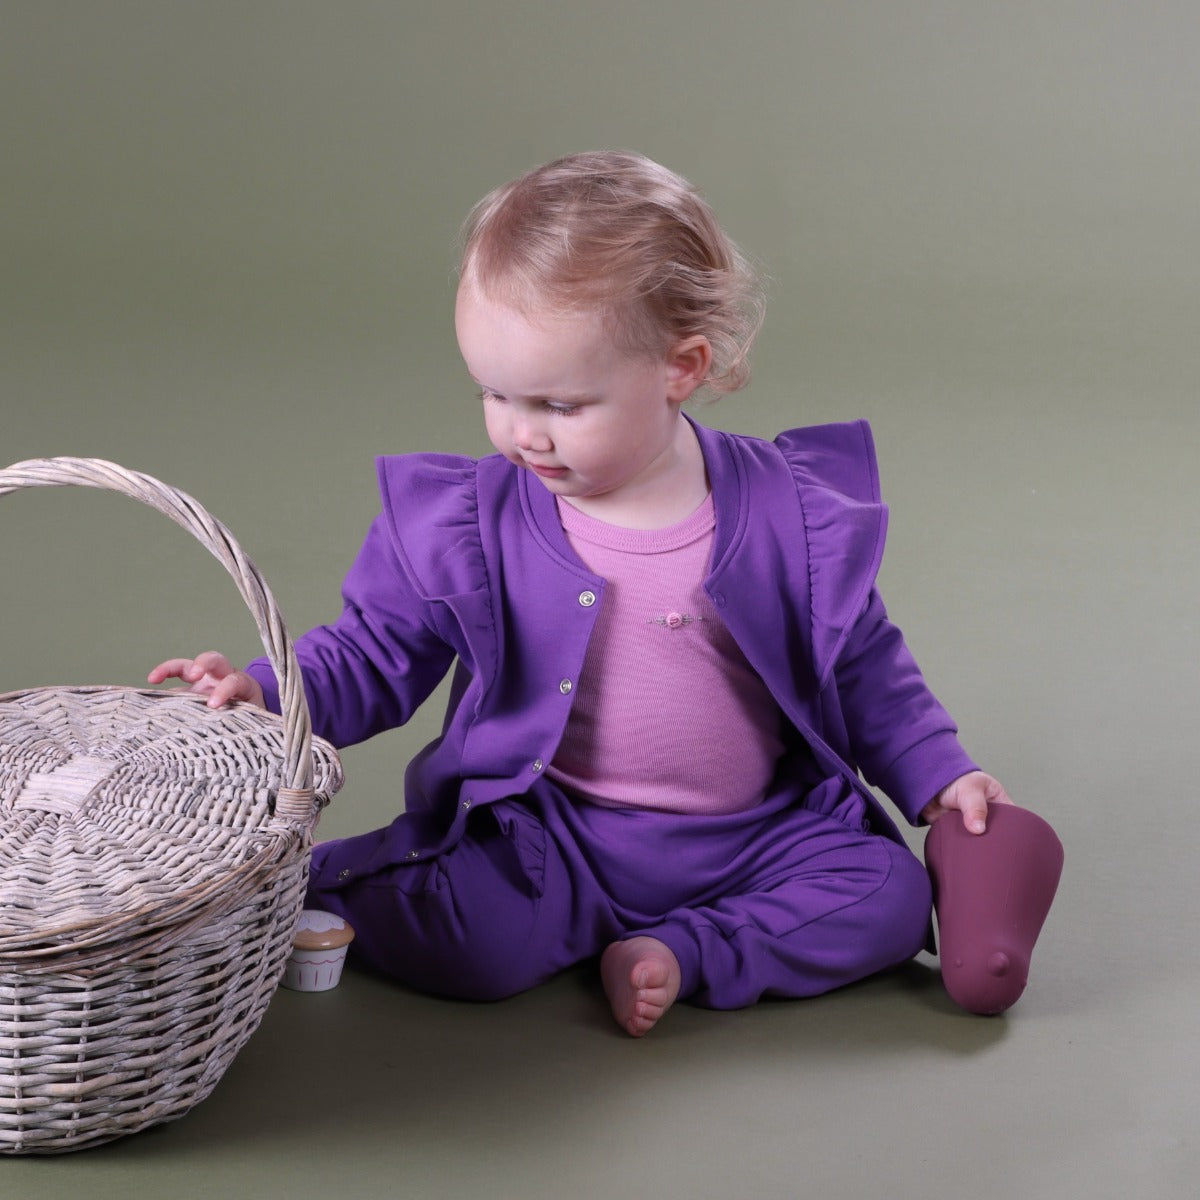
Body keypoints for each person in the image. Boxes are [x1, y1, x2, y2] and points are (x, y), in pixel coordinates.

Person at [150, 151, 1012, 1037]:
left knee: (890, 897)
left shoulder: (782, 510)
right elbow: (372, 654)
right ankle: (296, 897)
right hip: (551, 834)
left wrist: (940, 776)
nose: (522, 433)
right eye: (493, 393)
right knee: (468, 946)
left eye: (561, 405)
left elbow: (863, 661)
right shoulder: (472, 524)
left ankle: (687, 951)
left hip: (753, 833)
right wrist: (264, 689)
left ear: (681, 367)